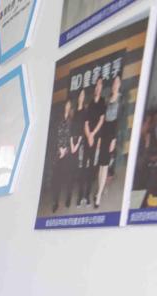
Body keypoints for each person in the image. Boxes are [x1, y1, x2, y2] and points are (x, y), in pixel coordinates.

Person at [96, 74, 122, 208]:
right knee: (100, 165)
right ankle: (99, 190)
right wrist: (100, 137)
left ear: (120, 84)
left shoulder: (121, 100)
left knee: (105, 165)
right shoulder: (107, 99)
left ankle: (98, 195)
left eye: (117, 82)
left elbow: (119, 121)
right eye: (114, 82)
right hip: (104, 133)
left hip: (111, 135)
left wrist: (114, 139)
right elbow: (103, 120)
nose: (115, 84)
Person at [83, 78, 106, 207]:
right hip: (88, 138)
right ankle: (82, 195)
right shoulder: (90, 103)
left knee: (92, 166)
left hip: (96, 138)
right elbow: (86, 122)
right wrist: (88, 135)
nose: (98, 87)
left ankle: (88, 194)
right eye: (96, 85)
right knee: (85, 165)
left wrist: (93, 134)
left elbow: (101, 120)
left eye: (100, 85)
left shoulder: (102, 102)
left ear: (101, 88)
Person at [51, 99, 74, 213]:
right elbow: (55, 135)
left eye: (69, 105)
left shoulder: (71, 120)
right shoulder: (58, 119)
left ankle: (68, 198)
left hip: (67, 152)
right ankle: (56, 202)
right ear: (64, 105)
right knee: (57, 179)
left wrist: (66, 149)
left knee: (68, 177)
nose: (67, 106)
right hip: (58, 153)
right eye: (66, 104)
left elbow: (72, 136)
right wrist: (59, 148)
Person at [70, 87, 88, 207]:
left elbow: (83, 128)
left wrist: (77, 144)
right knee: (74, 169)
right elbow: (72, 128)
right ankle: (72, 195)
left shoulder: (85, 111)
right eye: (80, 95)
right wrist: (72, 143)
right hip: (74, 143)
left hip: (81, 143)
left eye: (83, 95)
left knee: (81, 170)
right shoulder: (74, 111)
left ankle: (81, 197)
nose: (81, 97)